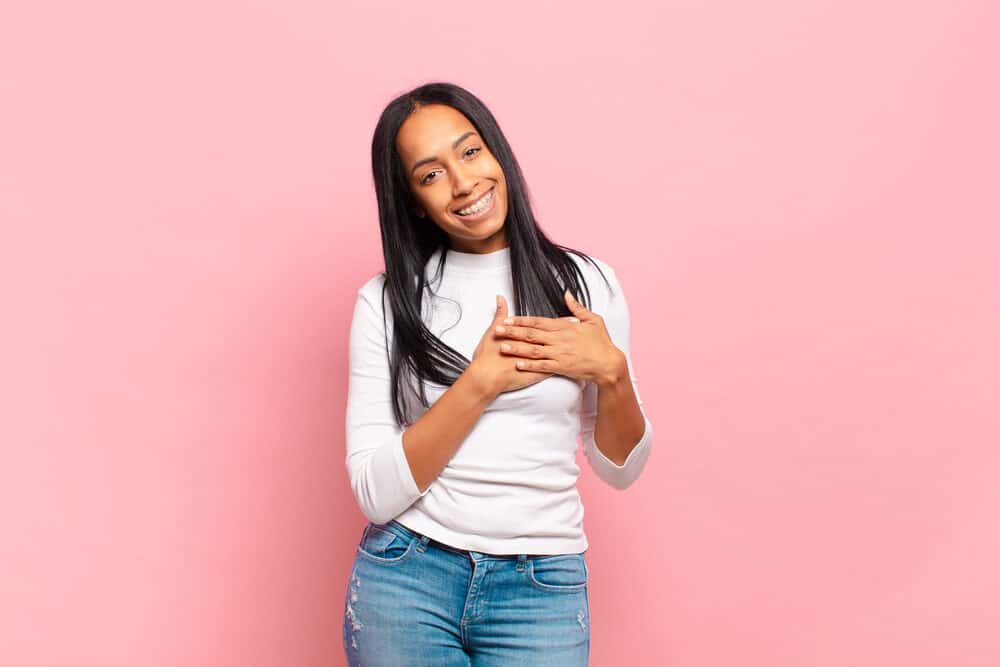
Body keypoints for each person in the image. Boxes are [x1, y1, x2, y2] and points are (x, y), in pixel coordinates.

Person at [342, 82, 654, 666]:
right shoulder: (386, 302)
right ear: (412, 200)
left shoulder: (588, 284)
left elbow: (621, 471)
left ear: (496, 153)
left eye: (469, 152)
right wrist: (479, 384)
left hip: (542, 587)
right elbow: (374, 494)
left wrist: (612, 374)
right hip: (408, 576)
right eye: (430, 174)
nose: (463, 184)